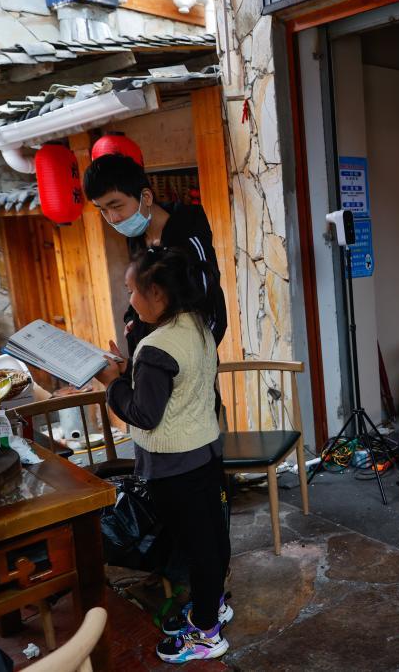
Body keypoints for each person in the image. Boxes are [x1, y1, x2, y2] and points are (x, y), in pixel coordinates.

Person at [95, 247, 231, 663]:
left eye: (132, 291)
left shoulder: (156, 349)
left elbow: (143, 415)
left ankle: (206, 632)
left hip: (174, 466)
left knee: (197, 547)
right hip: (205, 453)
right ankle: (214, 606)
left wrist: (113, 382)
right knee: (212, 538)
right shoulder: (197, 326)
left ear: (157, 293)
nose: (129, 300)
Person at [83, 153, 227, 357]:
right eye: (103, 210)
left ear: (146, 197)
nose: (112, 218)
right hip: (152, 361)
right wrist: (132, 320)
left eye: (116, 206)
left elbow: (212, 309)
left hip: (186, 362)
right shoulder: (136, 238)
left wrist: (192, 362)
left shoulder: (188, 232)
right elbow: (139, 292)